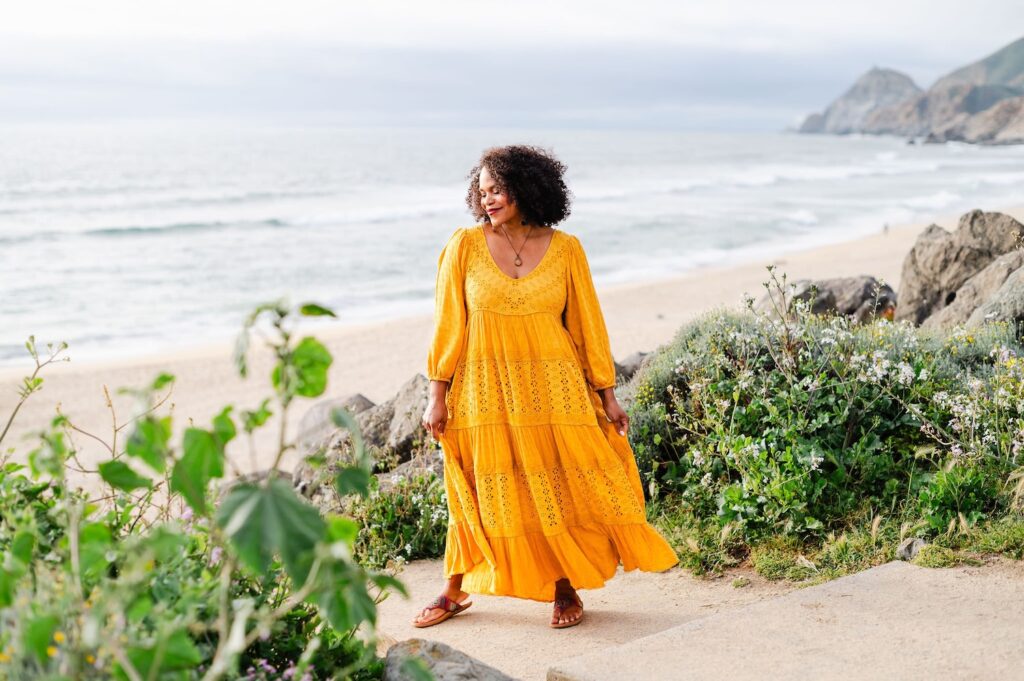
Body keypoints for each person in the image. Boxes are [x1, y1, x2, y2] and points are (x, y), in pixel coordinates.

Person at [414, 145, 679, 630]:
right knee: (475, 485)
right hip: (484, 389)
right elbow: (447, 325)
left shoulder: (567, 249)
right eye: (483, 189)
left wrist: (607, 393)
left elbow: (586, 326)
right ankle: (453, 590)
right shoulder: (464, 246)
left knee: (558, 482)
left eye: (499, 189)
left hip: (553, 390)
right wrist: (437, 394)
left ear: (527, 188)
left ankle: (563, 586)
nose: (488, 198)